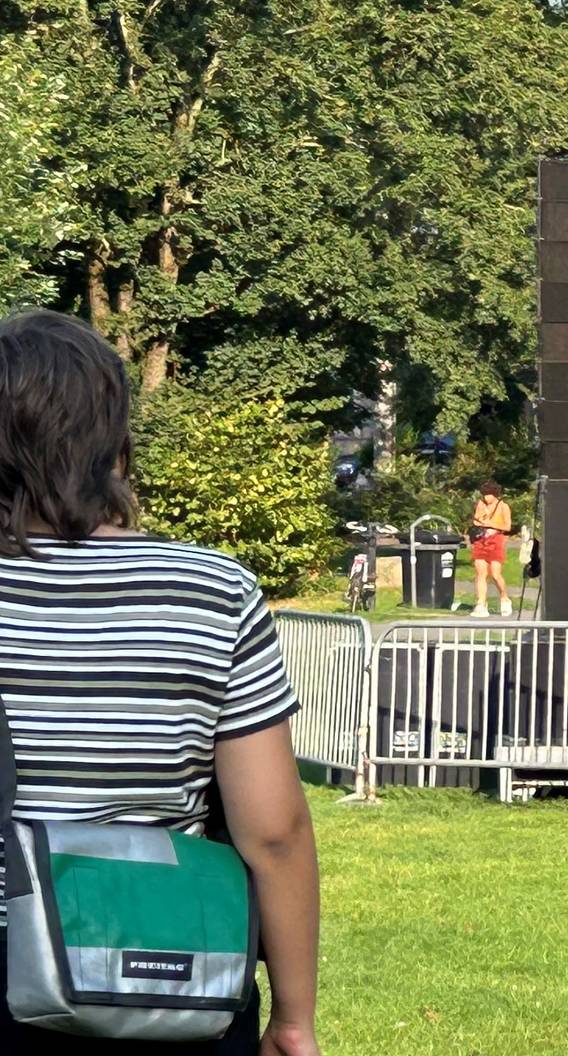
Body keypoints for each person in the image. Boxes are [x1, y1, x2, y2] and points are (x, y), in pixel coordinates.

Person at [0, 309, 320, 1056]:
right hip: (164, 967)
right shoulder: (211, 591)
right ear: (115, 435)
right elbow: (272, 831)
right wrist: (295, 1018)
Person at [467, 479, 514, 617]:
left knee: (495, 573)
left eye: (488, 494)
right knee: (481, 573)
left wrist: (491, 524)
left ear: (495, 494)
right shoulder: (481, 504)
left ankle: (504, 598)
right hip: (481, 540)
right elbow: (476, 520)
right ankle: (481, 603)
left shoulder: (503, 506)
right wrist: (483, 516)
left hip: (496, 540)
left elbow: (507, 526)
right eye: (484, 494)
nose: (486, 497)